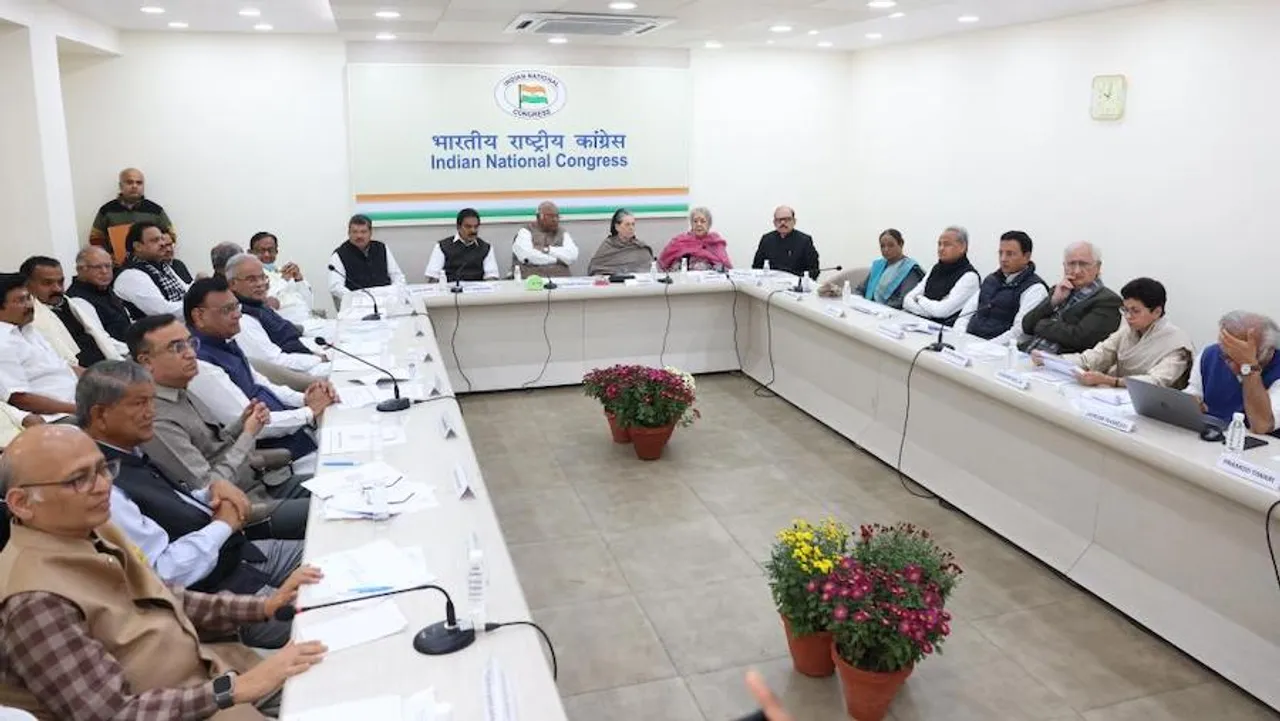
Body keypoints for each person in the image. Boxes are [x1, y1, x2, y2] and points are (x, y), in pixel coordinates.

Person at [0, 424, 327, 719]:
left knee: (338, 667)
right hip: (184, 706)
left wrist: (264, 607)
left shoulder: (94, 529)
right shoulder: (34, 601)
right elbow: (112, 714)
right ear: (22, 502)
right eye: (78, 480)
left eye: (103, 469)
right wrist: (232, 691)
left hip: (210, 670)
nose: (102, 487)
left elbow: (164, 597)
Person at [75, 361, 311, 649]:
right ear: (100, 414)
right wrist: (223, 525)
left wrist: (210, 493)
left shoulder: (129, 452)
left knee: (330, 554)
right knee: (325, 614)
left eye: (152, 401)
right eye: (139, 404)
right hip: (216, 595)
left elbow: (170, 505)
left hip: (238, 556)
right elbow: (163, 572)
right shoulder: (102, 486)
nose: (152, 412)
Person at [128, 314, 312, 504]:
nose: (191, 353)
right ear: (146, 362)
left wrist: (242, 423)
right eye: (177, 348)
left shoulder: (180, 390)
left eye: (190, 343)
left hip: (260, 485)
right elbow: (209, 487)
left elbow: (215, 446)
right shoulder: (156, 420)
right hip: (244, 508)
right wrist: (248, 434)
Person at [185, 277, 335, 475]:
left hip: (298, 430)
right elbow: (251, 424)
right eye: (227, 310)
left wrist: (305, 398)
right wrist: (308, 412)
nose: (237, 315)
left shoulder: (224, 340)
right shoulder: (199, 362)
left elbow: (261, 384)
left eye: (236, 307)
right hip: (279, 458)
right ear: (199, 316)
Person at [1039, 277, 1194, 389]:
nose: (1128, 316)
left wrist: (1112, 381)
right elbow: (1093, 358)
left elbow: (1157, 382)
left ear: (1157, 312)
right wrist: (1051, 360)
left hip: (1156, 410)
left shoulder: (1177, 344)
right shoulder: (1127, 331)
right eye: (1125, 309)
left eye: (1135, 311)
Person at [224, 254, 327, 376]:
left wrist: (317, 352)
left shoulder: (257, 305)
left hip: (304, 356)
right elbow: (274, 361)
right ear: (232, 284)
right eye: (251, 279)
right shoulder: (242, 319)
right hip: (297, 374)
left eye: (263, 277)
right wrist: (317, 358)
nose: (260, 284)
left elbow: (288, 337)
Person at [20, 256, 125, 367]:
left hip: (107, 367)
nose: (57, 289)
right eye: (47, 283)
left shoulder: (71, 304)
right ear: (26, 285)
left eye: (60, 282)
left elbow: (103, 339)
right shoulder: (27, 319)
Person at [1186, 311, 1280, 434]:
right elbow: (1193, 392)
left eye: (1240, 354)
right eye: (1227, 355)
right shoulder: (1210, 354)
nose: (1231, 365)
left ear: (1270, 351)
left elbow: (1261, 425)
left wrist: (1249, 368)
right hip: (1211, 438)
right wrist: (1192, 403)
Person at [1020, 242, 1122, 354]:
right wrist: (1053, 302)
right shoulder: (1058, 290)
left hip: (1062, 363)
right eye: (1071, 264)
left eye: (1083, 264)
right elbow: (1027, 325)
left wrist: (1042, 325)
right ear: (1064, 266)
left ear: (1098, 267)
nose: (1076, 271)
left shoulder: (1108, 300)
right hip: (1029, 352)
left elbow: (1080, 338)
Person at [0, 274, 78, 416]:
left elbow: (63, 368)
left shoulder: (28, 330)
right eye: (21, 301)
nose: (30, 305)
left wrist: (106, 375)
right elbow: (20, 399)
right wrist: (79, 410)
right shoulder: (3, 343)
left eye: (29, 298)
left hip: (79, 399)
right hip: (57, 416)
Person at [954, 231, 1049, 344]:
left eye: (1010, 254)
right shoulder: (991, 280)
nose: (1003, 259)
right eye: (1000, 253)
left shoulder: (1035, 289)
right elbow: (965, 315)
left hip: (998, 352)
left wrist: (985, 347)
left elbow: (1020, 333)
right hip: (969, 343)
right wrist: (959, 337)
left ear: (1026, 257)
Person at [87, 167, 176, 266]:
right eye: (129, 182)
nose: (134, 186)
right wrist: (107, 256)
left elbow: (171, 235)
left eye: (139, 183)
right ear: (121, 186)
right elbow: (95, 238)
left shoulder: (155, 210)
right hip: (117, 266)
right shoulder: (107, 210)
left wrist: (158, 244)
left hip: (152, 264)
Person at [902, 226, 980, 326]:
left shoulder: (970, 277)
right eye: (939, 244)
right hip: (918, 324)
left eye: (947, 244)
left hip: (942, 332)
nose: (941, 248)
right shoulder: (935, 268)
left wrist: (919, 299)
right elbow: (907, 300)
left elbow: (941, 312)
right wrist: (930, 311)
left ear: (963, 247)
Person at [114, 220, 191, 317]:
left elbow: (185, 292)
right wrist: (198, 307)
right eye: (155, 240)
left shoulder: (162, 266)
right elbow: (163, 312)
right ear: (138, 246)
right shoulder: (130, 275)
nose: (162, 244)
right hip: (156, 329)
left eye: (162, 239)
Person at [327, 214, 407, 305]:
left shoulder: (382, 248)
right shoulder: (339, 255)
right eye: (355, 232)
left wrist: (395, 294)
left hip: (386, 301)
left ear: (370, 233)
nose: (359, 236)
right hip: (357, 305)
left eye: (363, 232)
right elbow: (335, 287)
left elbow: (397, 276)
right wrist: (357, 299)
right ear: (348, 233)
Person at [839, 228, 924, 308]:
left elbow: (904, 300)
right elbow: (861, 289)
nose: (886, 249)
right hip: (869, 310)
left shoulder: (910, 269)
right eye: (882, 246)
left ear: (901, 244)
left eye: (891, 245)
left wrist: (877, 308)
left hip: (891, 315)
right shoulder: (879, 265)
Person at [66, 246, 133, 341]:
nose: (104, 271)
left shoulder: (105, 290)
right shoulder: (78, 300)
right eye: (97, 267)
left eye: (108, 266)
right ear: (80, 270)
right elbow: (102, 340)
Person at [249, 231, 315, 325]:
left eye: (270, 250)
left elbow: (309, 305)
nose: (266, 255)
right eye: (261, 251)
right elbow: (265, 302)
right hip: (285, 327)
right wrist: (283, 281)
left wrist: (299, 279)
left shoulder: (285, 271)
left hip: (309, 322)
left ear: (276, 252)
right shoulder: (250, 277)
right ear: (251, 253)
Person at [425, 208, 501, 283]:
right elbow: (433, 277)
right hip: (449, 292)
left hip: (477, 293)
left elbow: (491, 278)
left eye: (476, 227)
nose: (473, 230)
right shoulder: (442, 246)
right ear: (458, 227)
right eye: (468, 227)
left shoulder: (486, 248)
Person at [512, 201, 579, 278]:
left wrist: (547, 250)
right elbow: (528, 256)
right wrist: (557, 260)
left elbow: (572, 255)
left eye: (557, 216)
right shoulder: (525, 231)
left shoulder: (562, 232)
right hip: (533, 280)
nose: (555, 220)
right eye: (550, 216)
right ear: (539, 217)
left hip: (561, 278)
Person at [752, 206, 819, 279]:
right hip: (770, 284)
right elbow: (756, 267)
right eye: (779, 220)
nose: (783, 222)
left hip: (795, 285)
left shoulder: (805, 241)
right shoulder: (766, 239)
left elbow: (814, 270)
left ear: (794, 221)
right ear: (774, 222)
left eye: (787, 219)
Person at [658, 207, 733, 272]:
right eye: (695, 221)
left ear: (709, 224)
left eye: (703, 221)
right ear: (691, 224)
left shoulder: (715, 241)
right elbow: (664, 263)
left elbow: (725, 266)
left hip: (710, 284)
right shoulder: (680, 241)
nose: (698, 224)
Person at [587, 209, 656, 276]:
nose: (631, 228)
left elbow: (650, 270)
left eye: (633, 224)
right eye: (627, 225)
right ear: (617, 227)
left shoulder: (640, 248)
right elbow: (595, 269)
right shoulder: (608, 245)